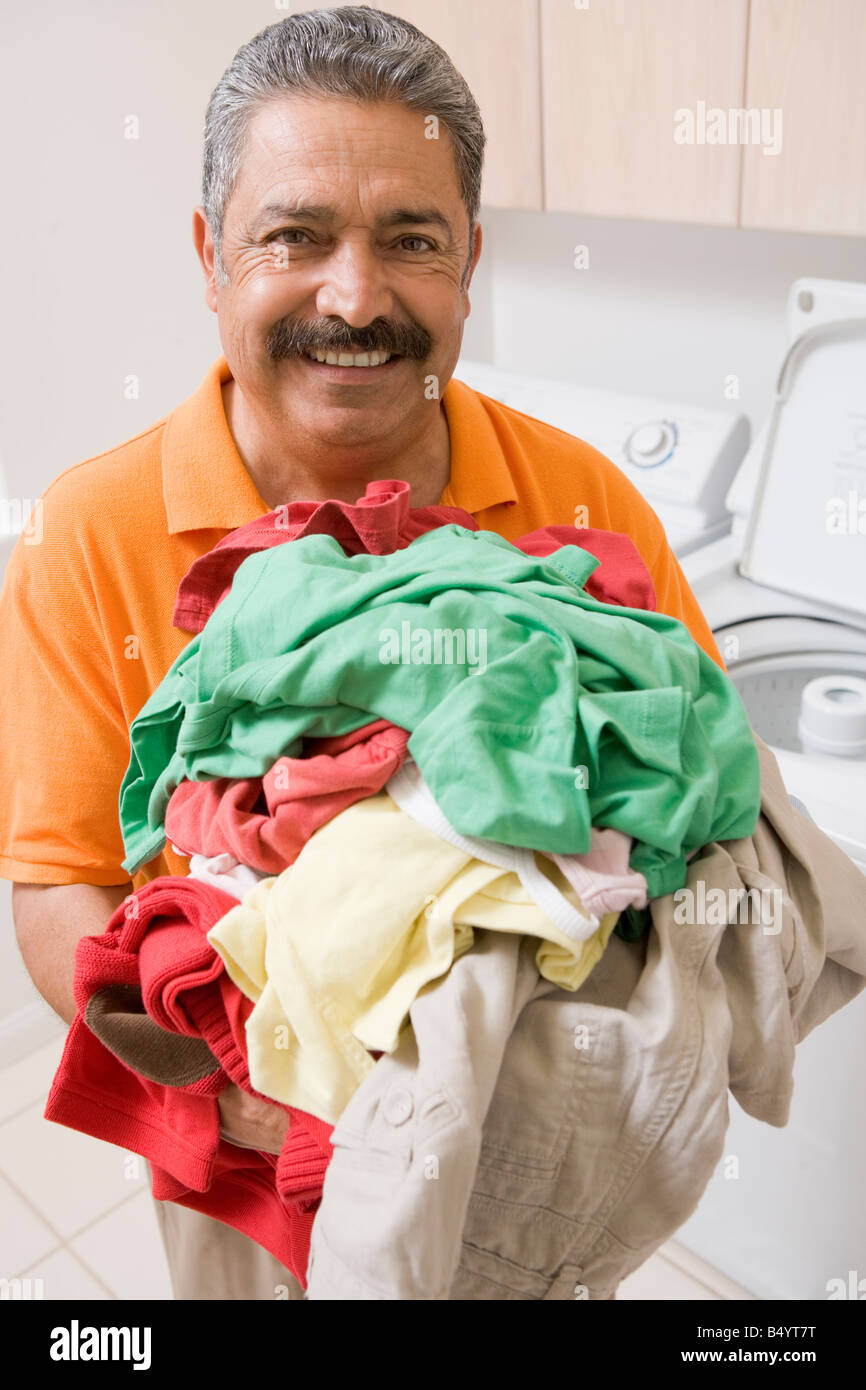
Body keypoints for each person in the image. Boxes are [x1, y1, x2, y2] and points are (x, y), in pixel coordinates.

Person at [1, 7, 723, 1300]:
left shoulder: (584, 503)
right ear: (210, 255)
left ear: (468, 266)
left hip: (536, 1142)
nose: (355, 295)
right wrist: (260, 1091)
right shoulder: (87, 534)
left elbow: (699, 800)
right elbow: (59, 888)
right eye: (294, 235)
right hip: (244, 1159)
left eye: (410, 242)